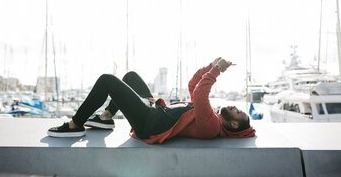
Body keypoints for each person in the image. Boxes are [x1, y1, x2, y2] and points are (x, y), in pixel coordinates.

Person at [47, 57, 256, 143]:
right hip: (154, 109)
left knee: (106, 80)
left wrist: (217, 70)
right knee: (130, 76)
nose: (234, 107)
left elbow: (201, 93)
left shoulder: (212, 126)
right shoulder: (212, 117)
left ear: (234, 124)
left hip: (150, 122)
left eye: (238, 112)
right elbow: (194, 85)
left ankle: (75, 124)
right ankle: (106, 117)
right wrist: (210, 65)